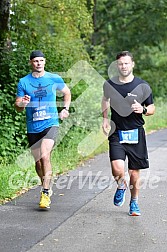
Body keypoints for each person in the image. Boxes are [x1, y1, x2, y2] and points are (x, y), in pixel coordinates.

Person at [15, 50, 71, 209]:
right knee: (38, 162)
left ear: (44, 62)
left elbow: (67, 92)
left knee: (45, 156)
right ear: (30, 63)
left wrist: (65, 109)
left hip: (50, 123)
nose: (38, 63)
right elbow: (18, 106)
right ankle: (45, 185)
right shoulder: (24, 82)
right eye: (35, 61)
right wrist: (22, 104)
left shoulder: (53, 78)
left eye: (41, 60)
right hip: (33, 126)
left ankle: (45, 193)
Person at [102, 51, 155, 216]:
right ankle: (120, 185)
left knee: (133, 172)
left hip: (136, 132)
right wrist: (105, 119)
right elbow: (105, 100)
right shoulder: (109, 84)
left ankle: (134, 202)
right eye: (120, 64)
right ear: (117, 65)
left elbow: (152, 108)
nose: (123, 66)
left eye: (126, 63)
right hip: (117, 131)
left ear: (132, 64)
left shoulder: (143, 86)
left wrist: (143, 109)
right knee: (117, 169)